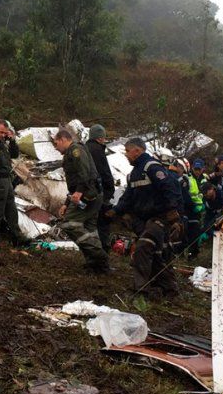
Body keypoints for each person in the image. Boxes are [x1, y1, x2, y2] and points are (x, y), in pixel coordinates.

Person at [106, 138, 182, 294]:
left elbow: (169, 187)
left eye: (127, 151)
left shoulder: (152, 167)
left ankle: (141, 290)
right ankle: (168, 287)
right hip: (144, 220)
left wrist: (172, 211)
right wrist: (115, 211)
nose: (126, 155)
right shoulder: (134, 173)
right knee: (157, 252)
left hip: (159, 217)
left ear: (137, 151)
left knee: (143, 247)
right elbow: (128, 197)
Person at [53, 130, 110, 272]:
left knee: (69, 224)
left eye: (56, 143)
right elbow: (74, 183)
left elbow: (84, 173)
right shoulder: (72, 152)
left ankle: (100, 256)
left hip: (88, 195)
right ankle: (97, 265)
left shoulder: (76, 150)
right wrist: (66, 203)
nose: (55, 147)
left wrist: (79, 192)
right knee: (90, 228)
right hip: (91, 194)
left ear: (62, 139)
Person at [85, 124, 115, 251]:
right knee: (102, 225)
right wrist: (110, 190)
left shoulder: (85, 149)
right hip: (99, 193)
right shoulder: (98, 150)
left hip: (86, 193)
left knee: (89, 225)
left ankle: (92, 255)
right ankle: (103, 255)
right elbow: (105, 173)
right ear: (100, 138)